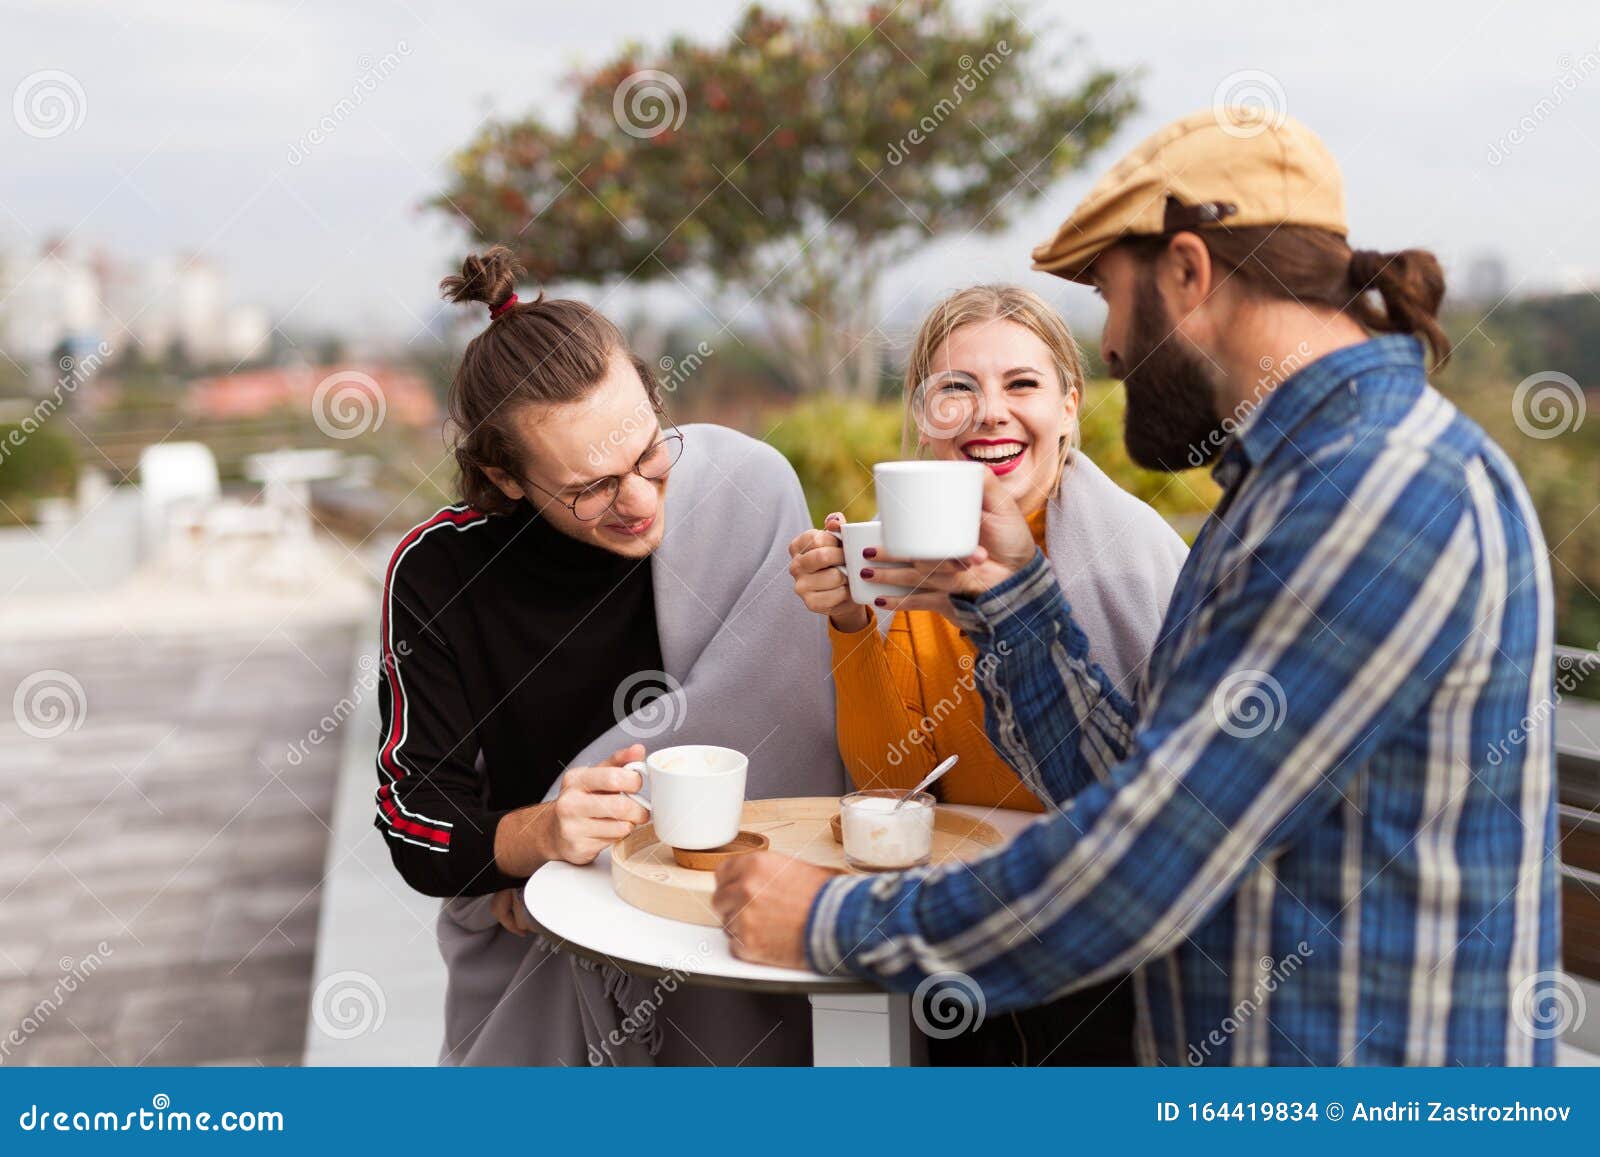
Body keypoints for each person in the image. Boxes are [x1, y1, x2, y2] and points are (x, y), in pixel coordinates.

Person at [712, 107, 1560, 1066]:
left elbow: (1148, 862)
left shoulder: (1375, 491)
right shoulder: (1285, 488)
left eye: (1111, 298)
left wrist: (833, 919)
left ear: (1189, 273)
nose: (1110, 348)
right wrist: (1009, 596)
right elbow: (1126, 788)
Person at [376, 246, 845, 1065]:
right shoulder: (439, 573)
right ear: (505, 476)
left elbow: (809, 732)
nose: (638, 501)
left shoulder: (744, 491)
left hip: (735, 937)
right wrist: (539, 837)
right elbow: (416, 822)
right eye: (590, 486)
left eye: (648, 455)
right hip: (533, 952)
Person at [786, 284, 1187, 1063]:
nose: (990, 411)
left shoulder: (1136, 560)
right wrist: (849, 622)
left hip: (1102, 955)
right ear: (922, 414)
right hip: (960, 933)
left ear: (1070, 407)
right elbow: (888, 775)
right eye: (957, 389)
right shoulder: (913, 549)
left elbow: (1165, 808)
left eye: (1023, 385)